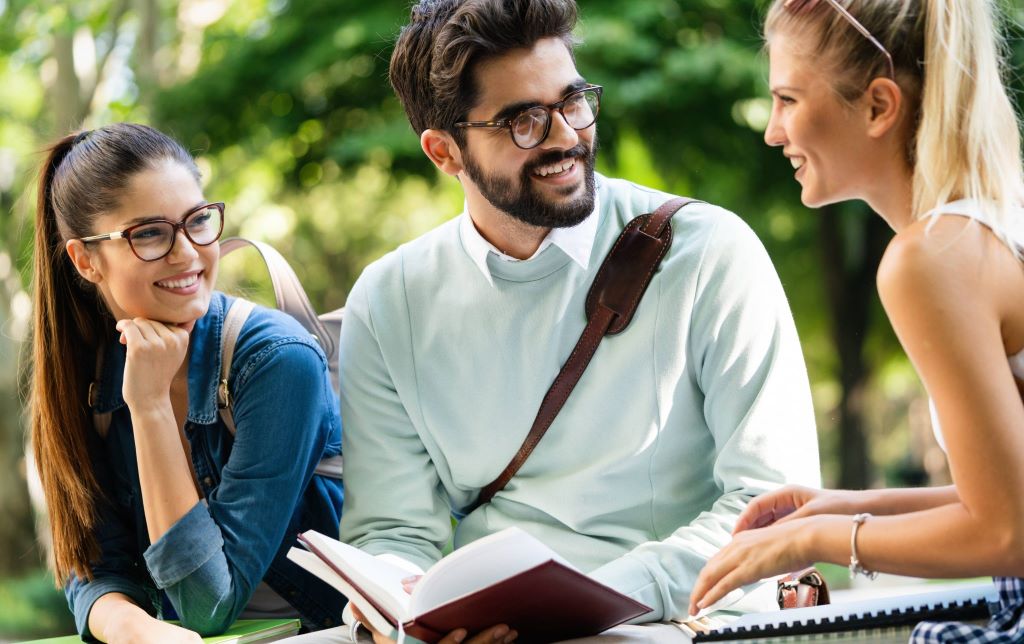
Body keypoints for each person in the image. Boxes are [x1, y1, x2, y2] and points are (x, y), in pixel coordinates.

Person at [293, 0, 821, 641]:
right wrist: (403, 608)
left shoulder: (708, 251)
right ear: (444, 152)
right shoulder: (388, 300)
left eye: (574, 102)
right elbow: (394, 530)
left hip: (684, 618)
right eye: (524, 122)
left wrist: (592, 600)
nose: (566, 136)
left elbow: (774, 505)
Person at [688, 0, 1024, 641]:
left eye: (788, 99)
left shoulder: (929, 259)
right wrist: (850, 505)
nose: (772, 131)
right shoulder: (991, 225)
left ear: (877, 106)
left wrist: (819, 537)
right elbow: (1008, 496)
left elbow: (1008, 531)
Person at [30, 123, 345, 643]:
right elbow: (92, 564)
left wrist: (150, 406)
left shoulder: (276, 360)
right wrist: (131, 628)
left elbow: (208, 604)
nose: (187, 253)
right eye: (150, 233)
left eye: (197, 220)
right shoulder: (85, 376)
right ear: (86, 260)